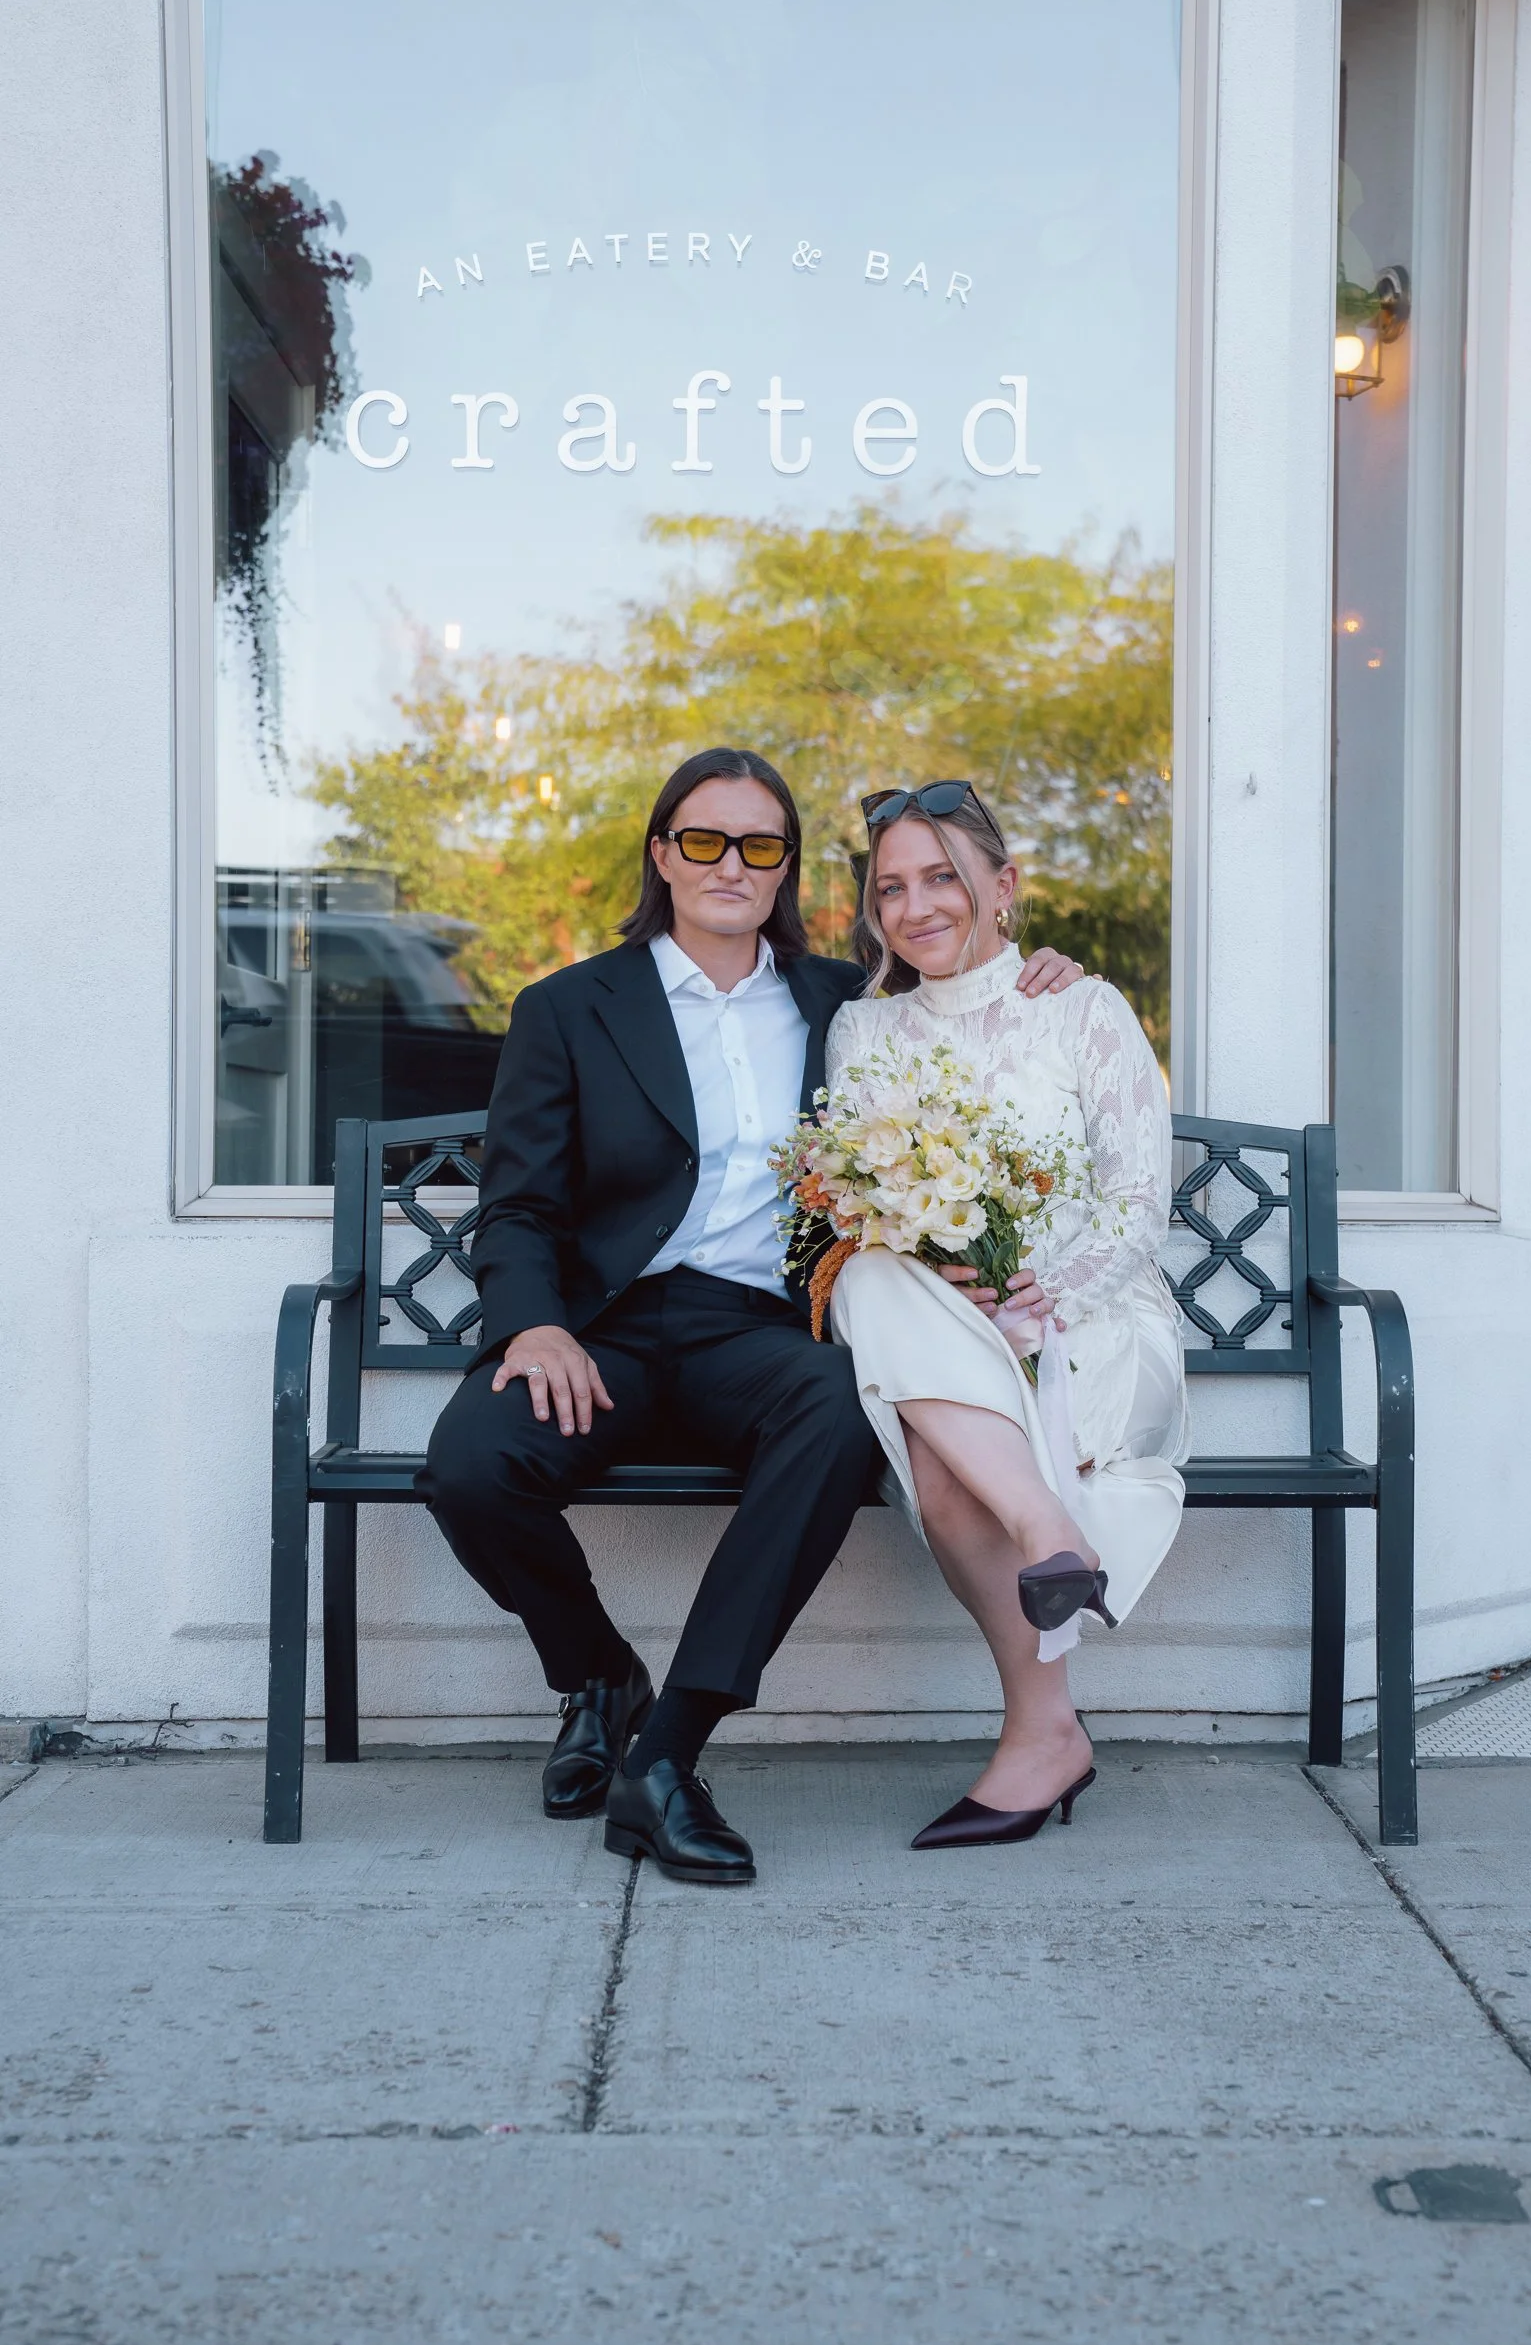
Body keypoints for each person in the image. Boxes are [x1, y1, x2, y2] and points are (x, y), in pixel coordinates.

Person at [417, 747, 1084, 1886]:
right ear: (662, 854)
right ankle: (596, 1674)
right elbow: (518, 1203)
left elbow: (968, 1011)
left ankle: (667, 1750)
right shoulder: (567, 1007)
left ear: (784, 871)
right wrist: (533, 1325)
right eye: (706, 840)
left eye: (761, 845)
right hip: (608, 1331)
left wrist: (1037, 973)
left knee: (837, 1413)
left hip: (762, 1333)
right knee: (471, 1464)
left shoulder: (848, 1005)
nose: (733, 863)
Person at [824, 781, 1188, 1851]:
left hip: (1091, 1319)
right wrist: (957, 1281)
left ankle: (1040, 1732)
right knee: (866, 1268)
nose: (915, 905)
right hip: (932, 1321)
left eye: (941, 876)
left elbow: (1136, 1204)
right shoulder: (862, 1028)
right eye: (890, 887)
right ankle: (1049, 1546)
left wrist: (1047, 1293)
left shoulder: (1080, 1007)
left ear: (1003, 886)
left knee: (940, 1456)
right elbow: (860, 1198)